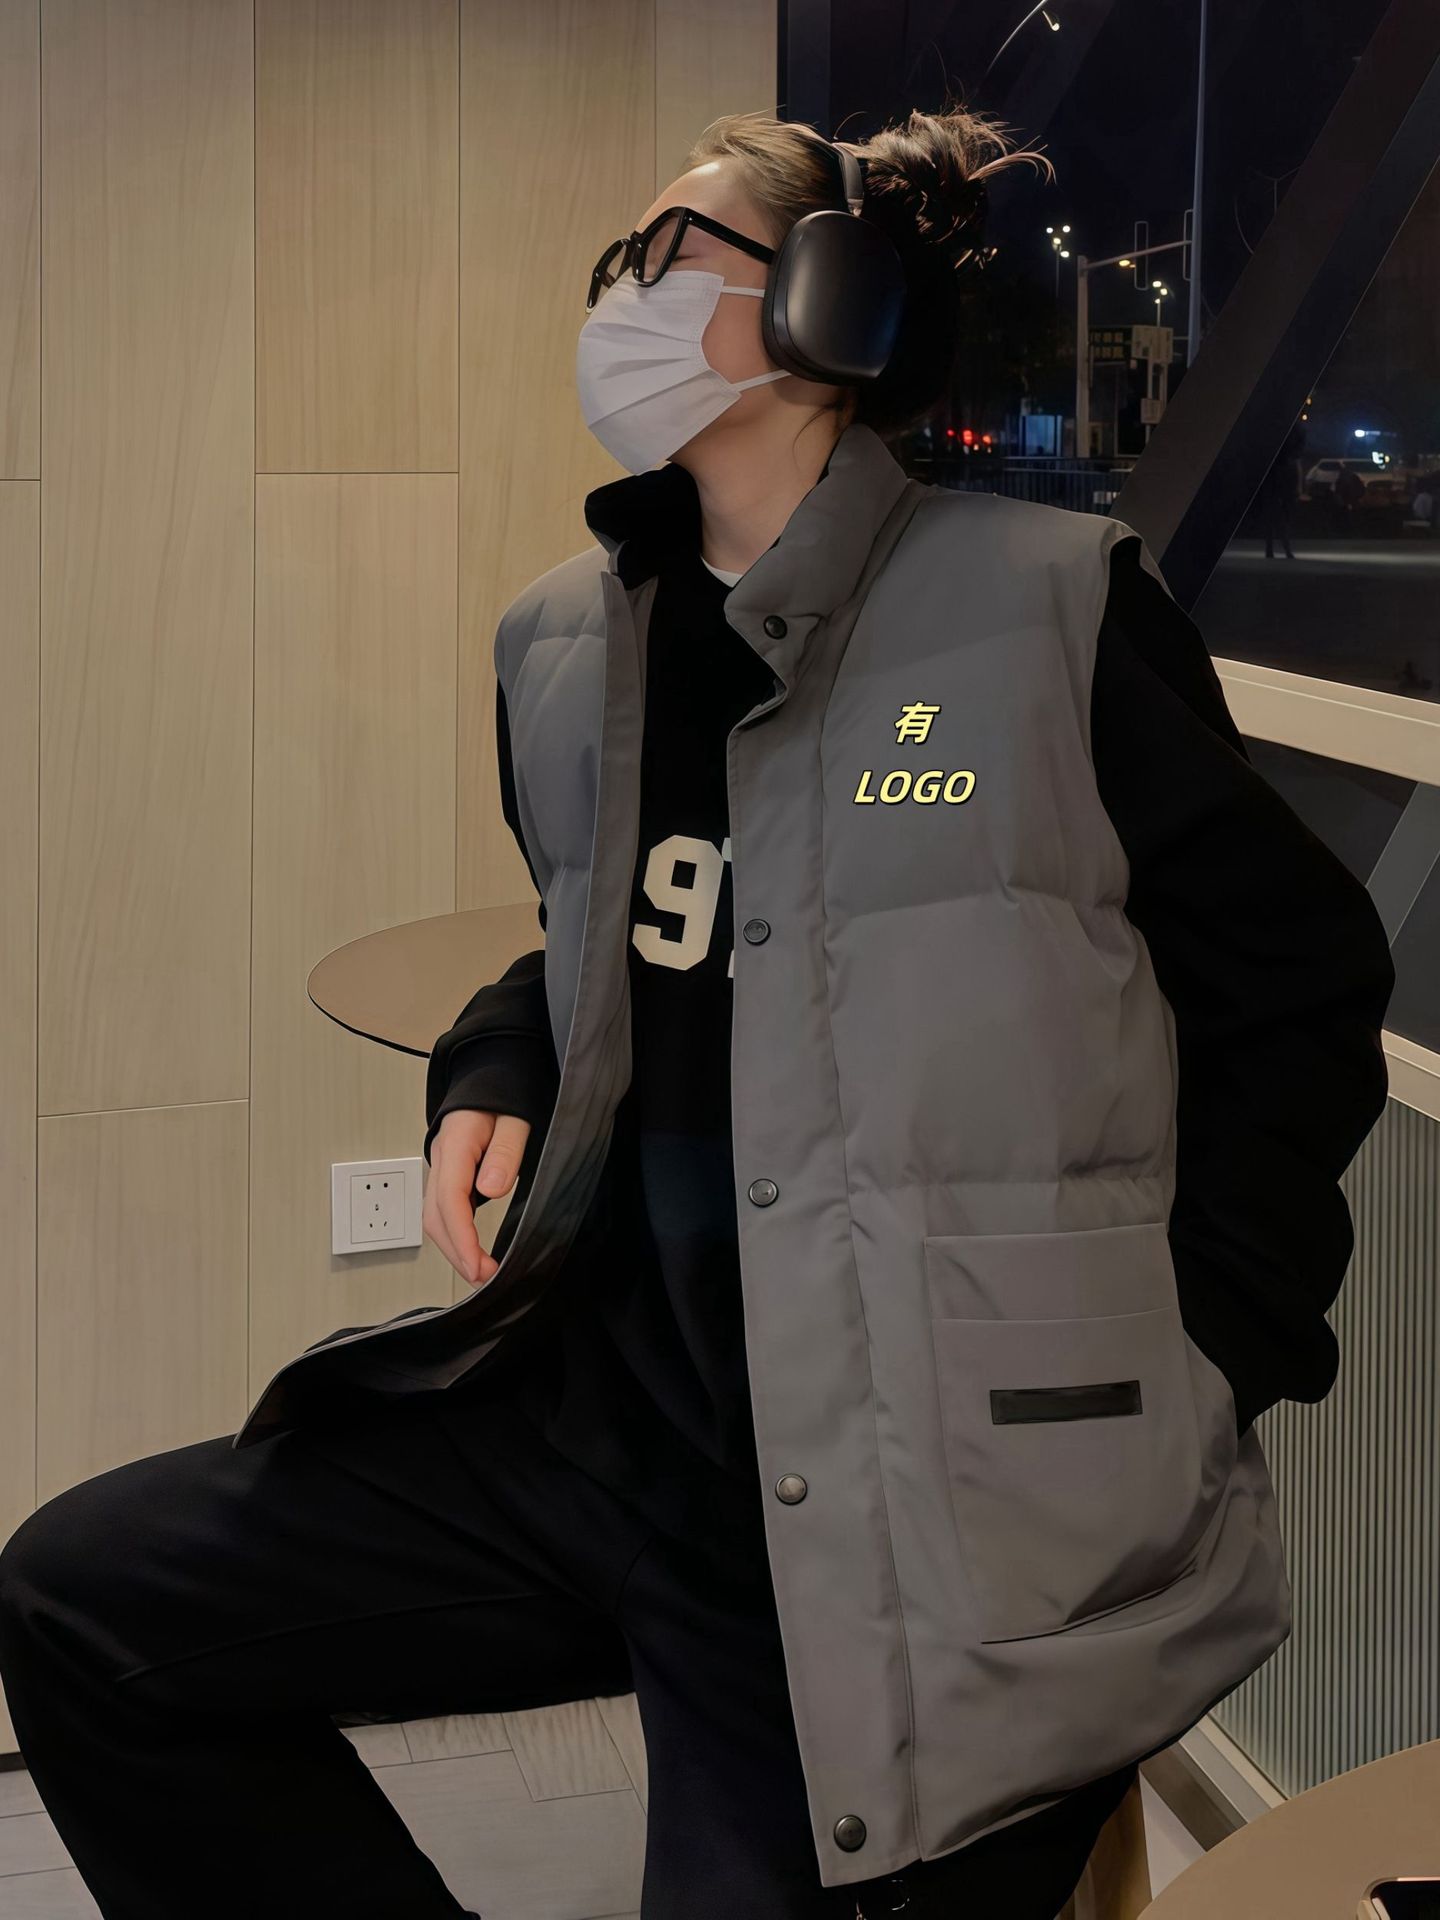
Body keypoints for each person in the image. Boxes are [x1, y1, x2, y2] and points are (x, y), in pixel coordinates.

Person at [0, 105, 1395, 1920]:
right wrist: (503, 1054)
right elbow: (625, 931)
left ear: (832, 304)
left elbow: (1298, 987)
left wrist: (1203, 1360)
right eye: (616, 270)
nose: (621, 301)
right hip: (603, 1430)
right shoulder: (564, 647)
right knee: (85, 1606)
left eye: (668, 258)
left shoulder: (1046, 614)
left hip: (910, 1494)